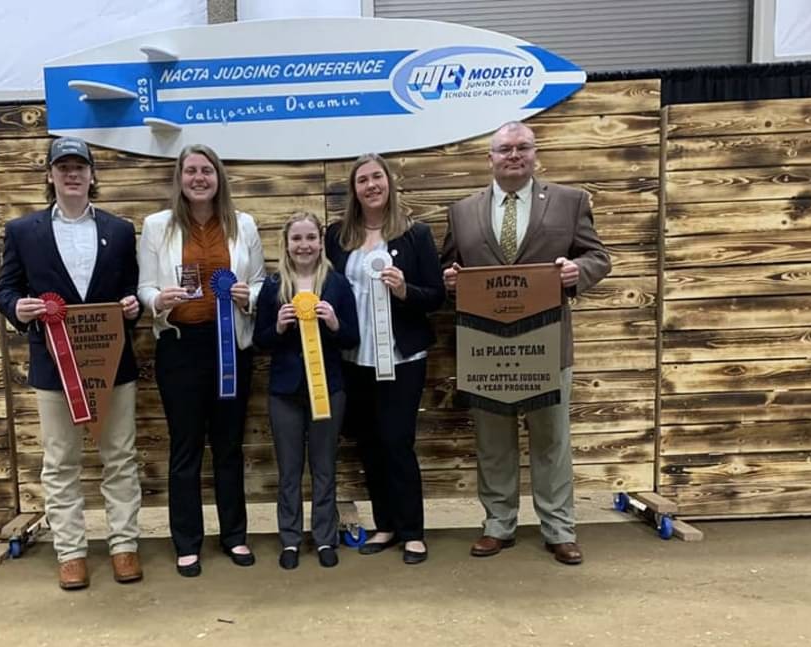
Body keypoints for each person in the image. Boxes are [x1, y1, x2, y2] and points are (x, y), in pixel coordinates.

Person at [442, 121, 611, 566]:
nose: (513, 155)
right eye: (504, 149)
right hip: (485, 347)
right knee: (492, 441)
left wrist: (580, 273)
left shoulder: (571, 202)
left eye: (522, 148)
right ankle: (498, 524)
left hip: (548, 345)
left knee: (551, 440)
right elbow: (451, 272)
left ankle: (559, 528)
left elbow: (598, 256)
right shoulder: (461, 212)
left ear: (535, 154)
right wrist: (449, 282)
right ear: (490, 158)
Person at [0, 136, 143, 590]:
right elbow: (5, 289)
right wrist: (16, 308)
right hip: (52, 364)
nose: (72, 174)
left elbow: (132, 290)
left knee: (120, 456)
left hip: (112, 360)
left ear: (93, 175)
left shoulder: (119, 230)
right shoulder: (22, 231)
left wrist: (133, 308)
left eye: (80, 166)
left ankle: (123, 546)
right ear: (50, 175)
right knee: (60, 460)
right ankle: (71, 552)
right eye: (63, 167)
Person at [137, 144, 265, 577]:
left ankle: (234, 535)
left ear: (218, 177)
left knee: (228, 447)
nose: (198, 178)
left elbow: (261, 280)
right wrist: (158, 299)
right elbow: (143, 287)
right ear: (180, 177)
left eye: (206, 171)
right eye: (190, 170)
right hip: (180, 347)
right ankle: (187, 542)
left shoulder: (243, 224)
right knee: (185, 448)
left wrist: (251, 296)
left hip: (231, 345)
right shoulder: (157, 226)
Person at [325, 153, 445, 564]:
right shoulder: (336, 236)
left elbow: (436, 296)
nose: (371, 185)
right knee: (369, 444)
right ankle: (386, 525)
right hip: (354, 358)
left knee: (397, 442)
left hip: (402, 357)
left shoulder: (416, 235)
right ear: (354, 190)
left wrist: (404, 291)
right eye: (362, 180)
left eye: (377, 177)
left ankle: (413, 530)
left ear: (389, 183)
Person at [254, 212, 360, 570]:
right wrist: (279, 328)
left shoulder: (337, 284)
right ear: (286, 244)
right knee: (289, 469)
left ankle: (325, 537)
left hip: (328, 388)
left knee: (324, 467)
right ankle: (290, 540)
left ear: (320, 242)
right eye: (297, 239)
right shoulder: (273, 286)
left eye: (310, 238)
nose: (304, 245)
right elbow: (259, 341)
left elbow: (352, 338)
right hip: (284, 392)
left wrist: (333, 323)